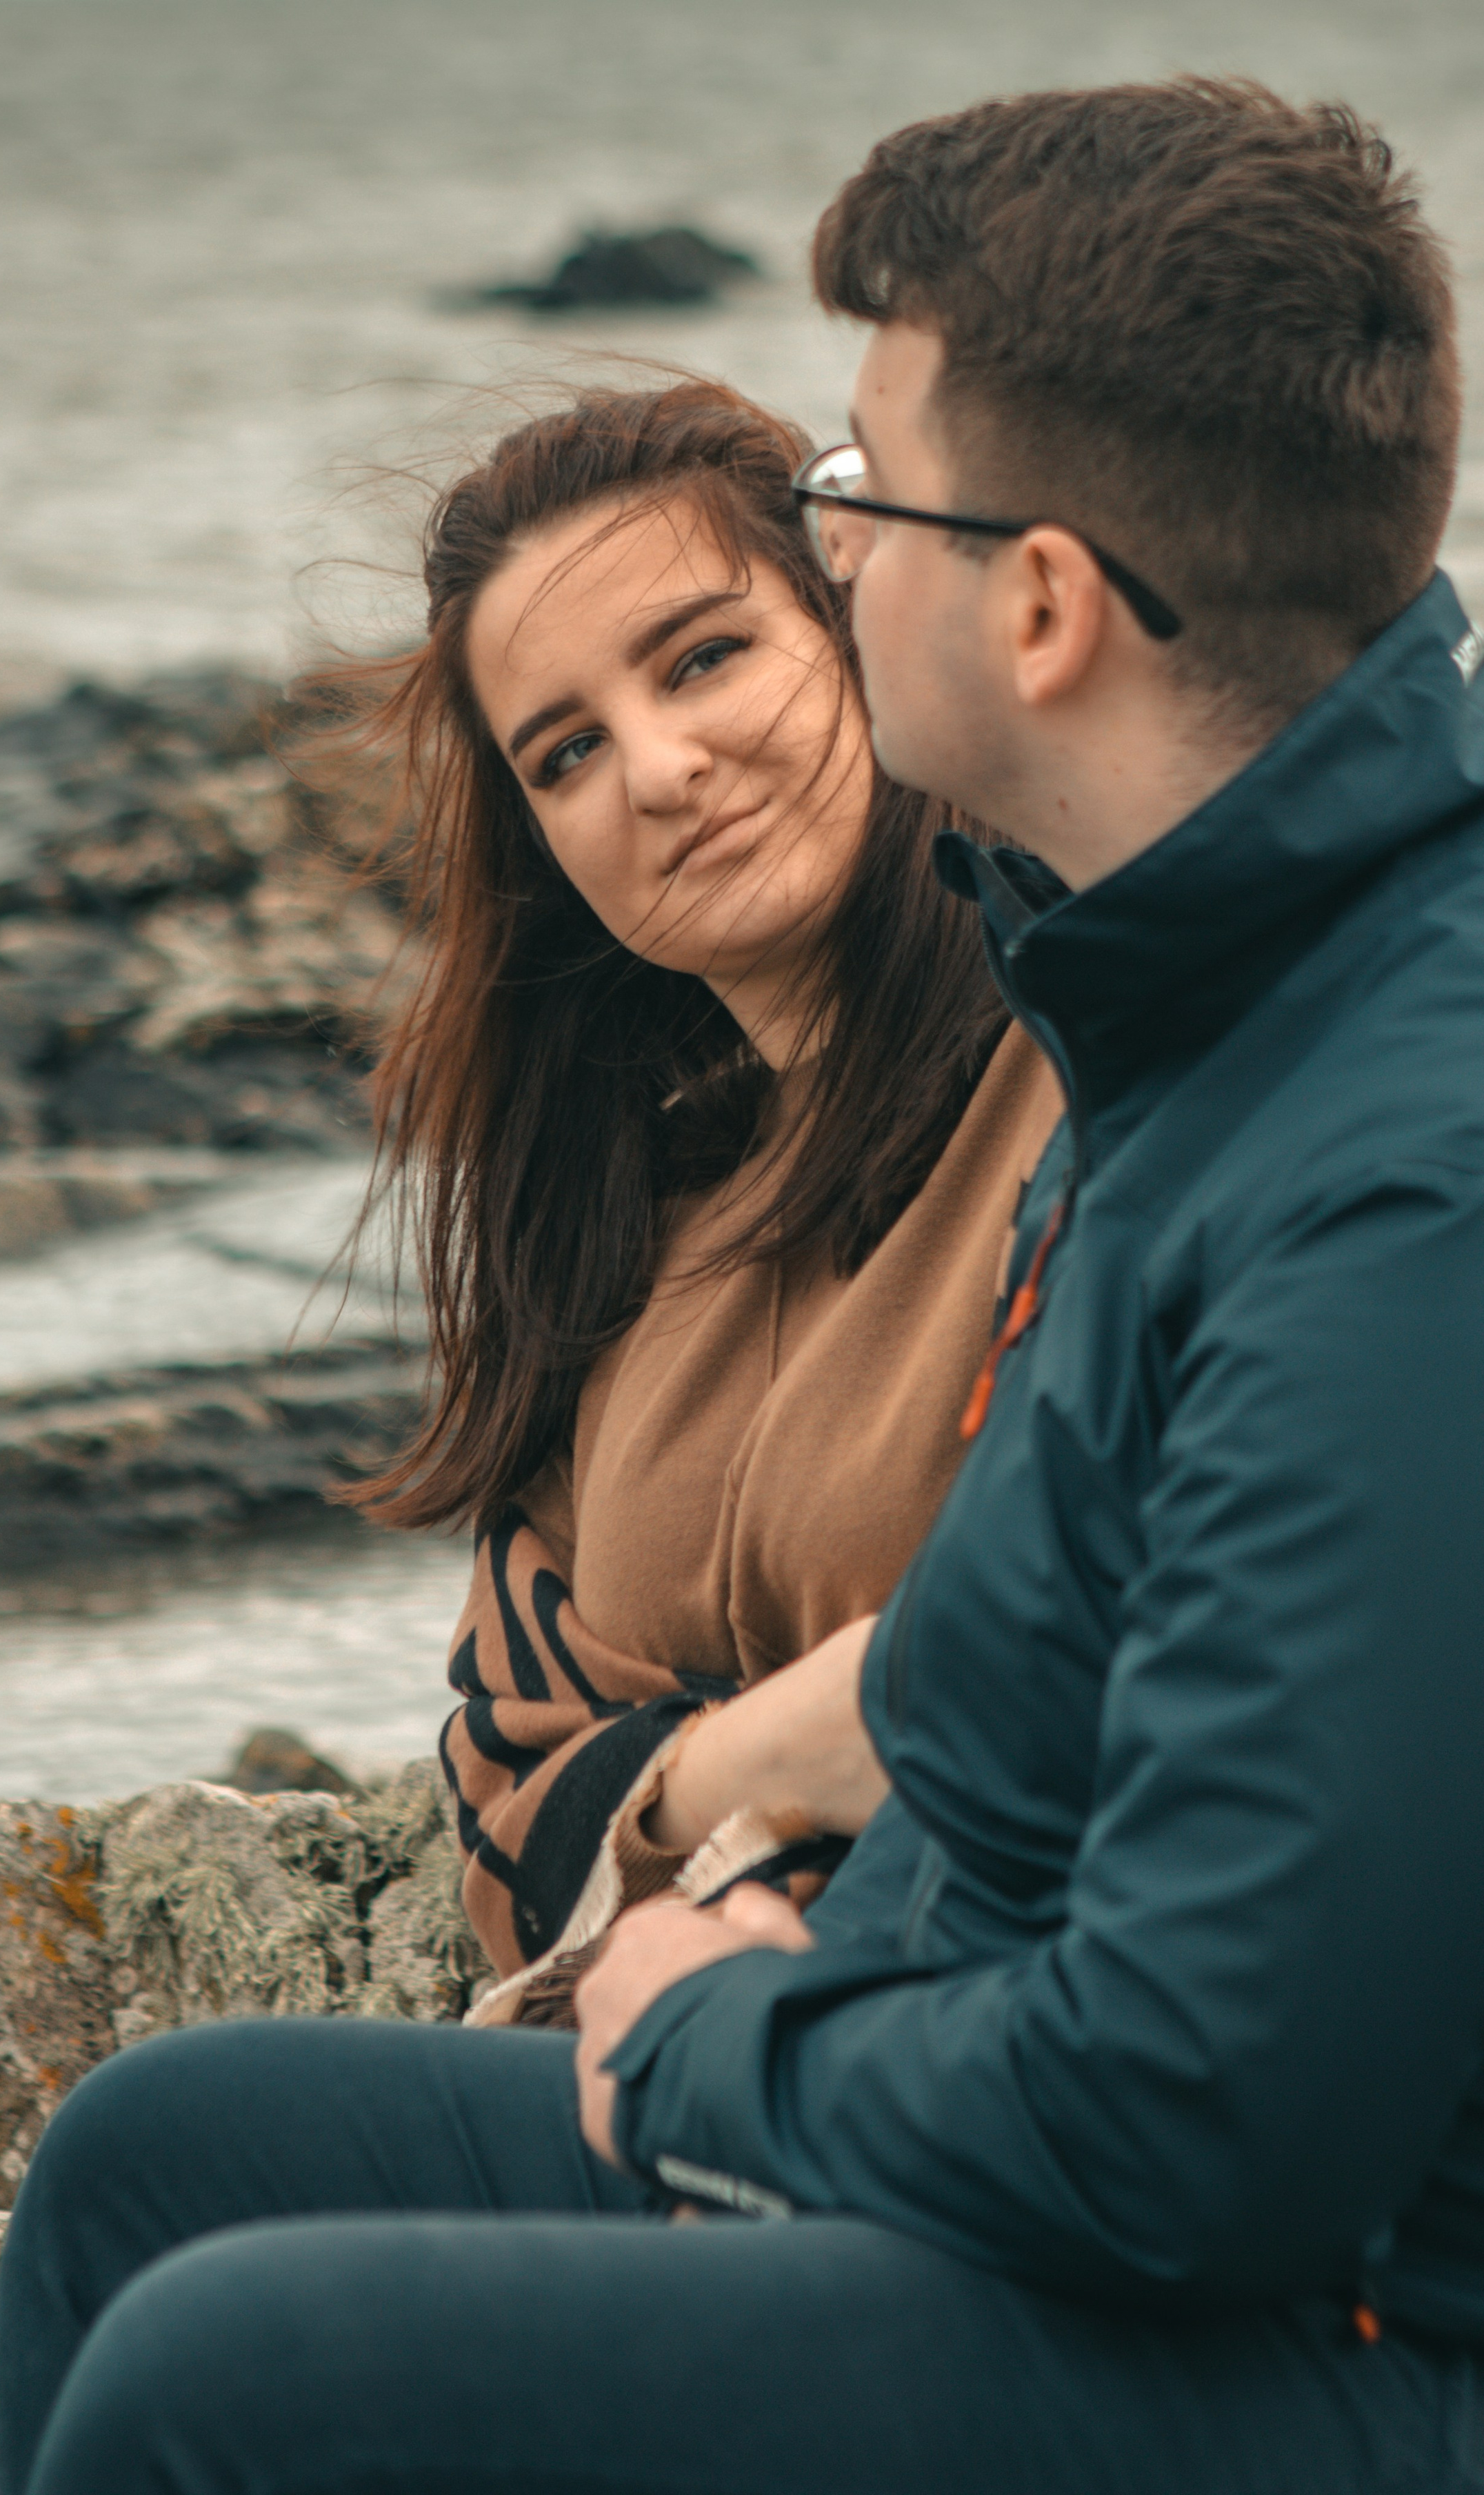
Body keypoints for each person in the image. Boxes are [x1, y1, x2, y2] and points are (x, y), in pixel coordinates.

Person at [0, 77, 1484, 2495]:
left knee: (238, 2376)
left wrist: (704, 2041)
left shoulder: (1434, 1173)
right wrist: (736, 1815)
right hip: (1053, 2104)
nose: (835, 539)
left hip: (1424, 2352)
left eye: (856, 499)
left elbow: (1205, 2130)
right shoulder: (1212, 989)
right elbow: (1031, 1631)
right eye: (565, 745)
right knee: (161, 2160)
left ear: (1047, 604)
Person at [323, 378, 1057, 2014]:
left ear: (854, 622)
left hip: (995, 2051)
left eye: (703, 656)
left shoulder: (1103, 1047)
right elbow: (513, 1807)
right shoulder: (625, 1242)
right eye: (565, 753)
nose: (656, 769)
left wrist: (682, 1791)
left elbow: (1113, 1641)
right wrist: (775, 1751)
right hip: (693, 2070)